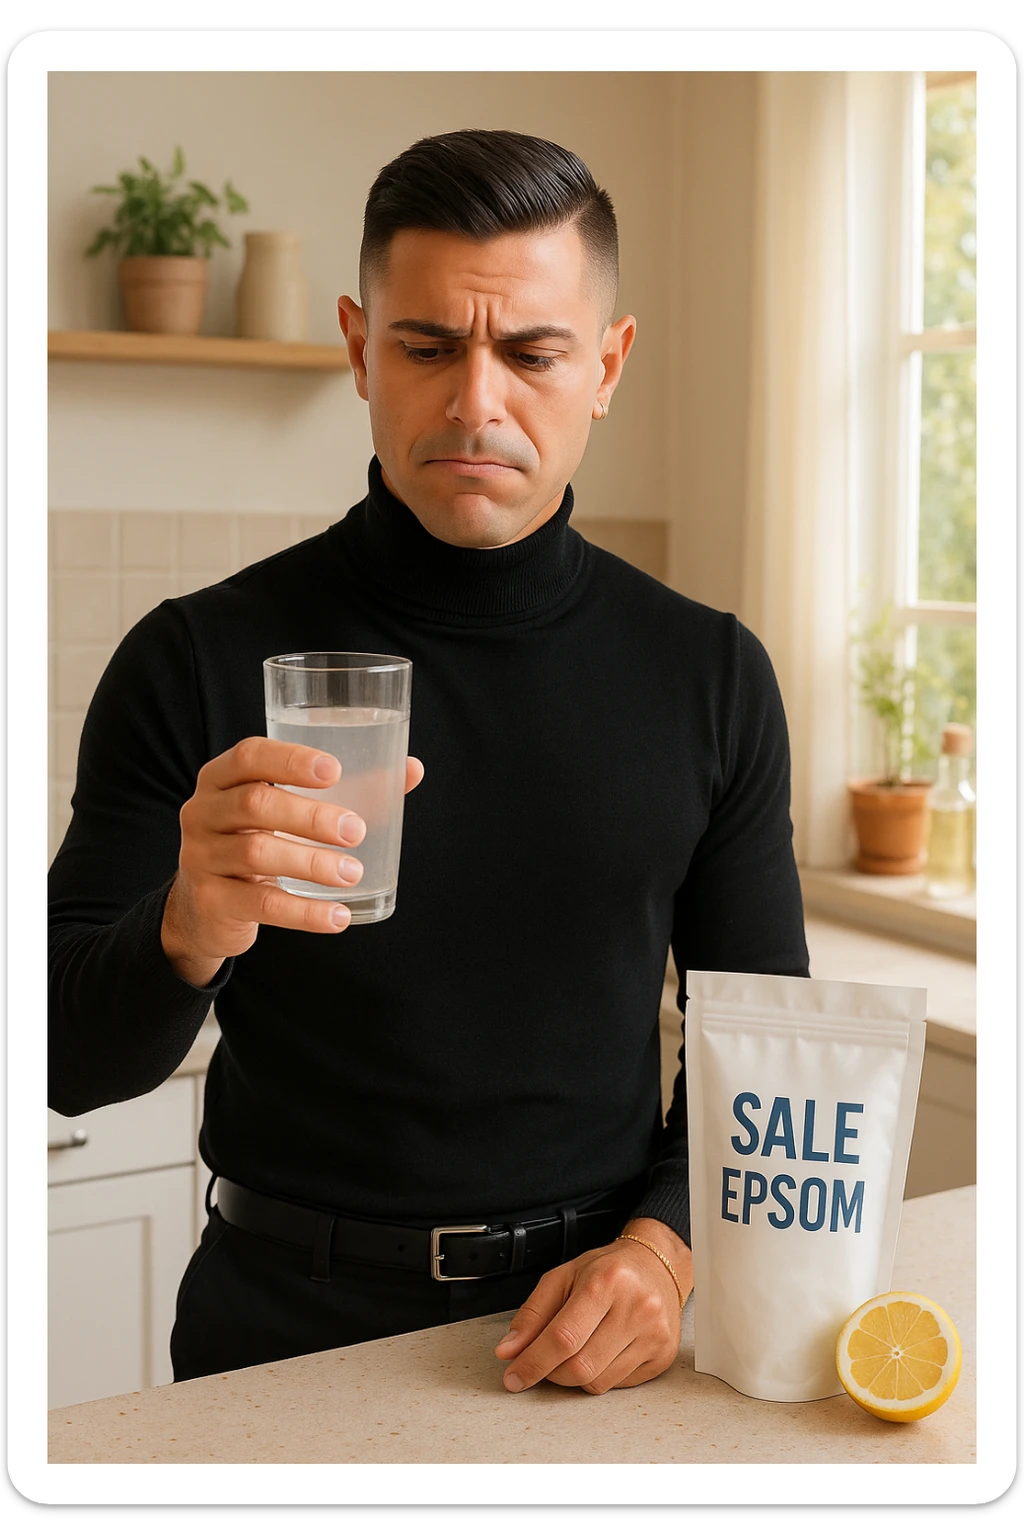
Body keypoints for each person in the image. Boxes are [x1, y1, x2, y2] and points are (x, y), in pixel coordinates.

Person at [48, 128, 809, 1397]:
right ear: (358, 347)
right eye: (424, 347)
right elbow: (64, 1060)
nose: (474, 402)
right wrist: (186, 924)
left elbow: (763, 1043)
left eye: (530, 352)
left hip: (590, 1340)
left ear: (607, 365)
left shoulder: (710, 675)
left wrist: (665, 1253)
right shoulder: (193, 655)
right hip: (276, 1331)